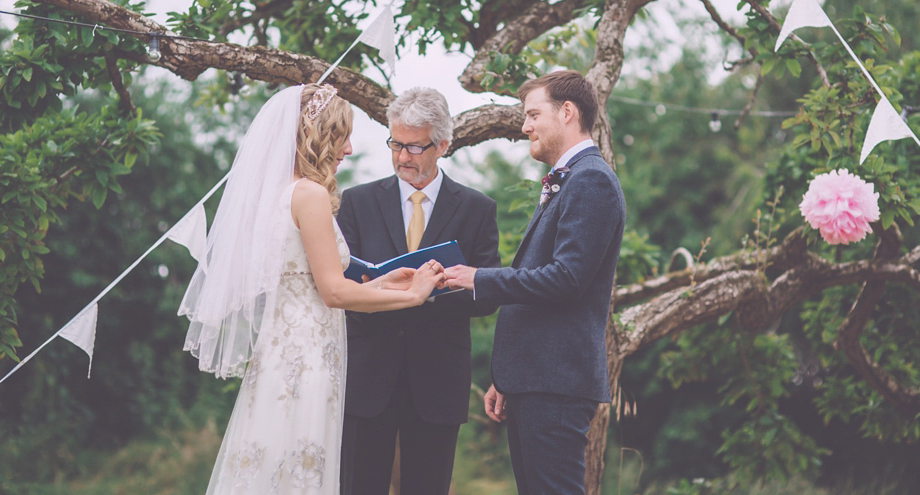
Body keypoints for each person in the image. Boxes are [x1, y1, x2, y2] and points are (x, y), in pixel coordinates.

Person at [178, 84, 445, 495]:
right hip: (308, 358)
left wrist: (382, 283)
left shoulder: (277, 194)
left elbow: (306, 280)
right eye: (342, 136)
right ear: (318, 135)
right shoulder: (310, 195)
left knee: (269, 459)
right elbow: (333, 293)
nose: (350, 149)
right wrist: (413, 295)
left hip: (280, 352)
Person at [442, 70, 625, 495]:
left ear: (567, 112)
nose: (524, 127)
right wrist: (510, 376)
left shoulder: (591, 179)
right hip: (537, 379)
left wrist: (479, 278)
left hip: (556, 384)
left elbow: (567, 279)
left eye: (532, 114)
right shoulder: (571, 179)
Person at [337, 87, 501, 495]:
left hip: (437, 380)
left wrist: (438, 286)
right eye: (395, 143)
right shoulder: (355, 202)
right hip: (366, 376)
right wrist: (384, 291)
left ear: (443, 145)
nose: (401, 157)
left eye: (414, 146)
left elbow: (489, 294)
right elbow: (341, 291)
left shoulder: (478, 208)